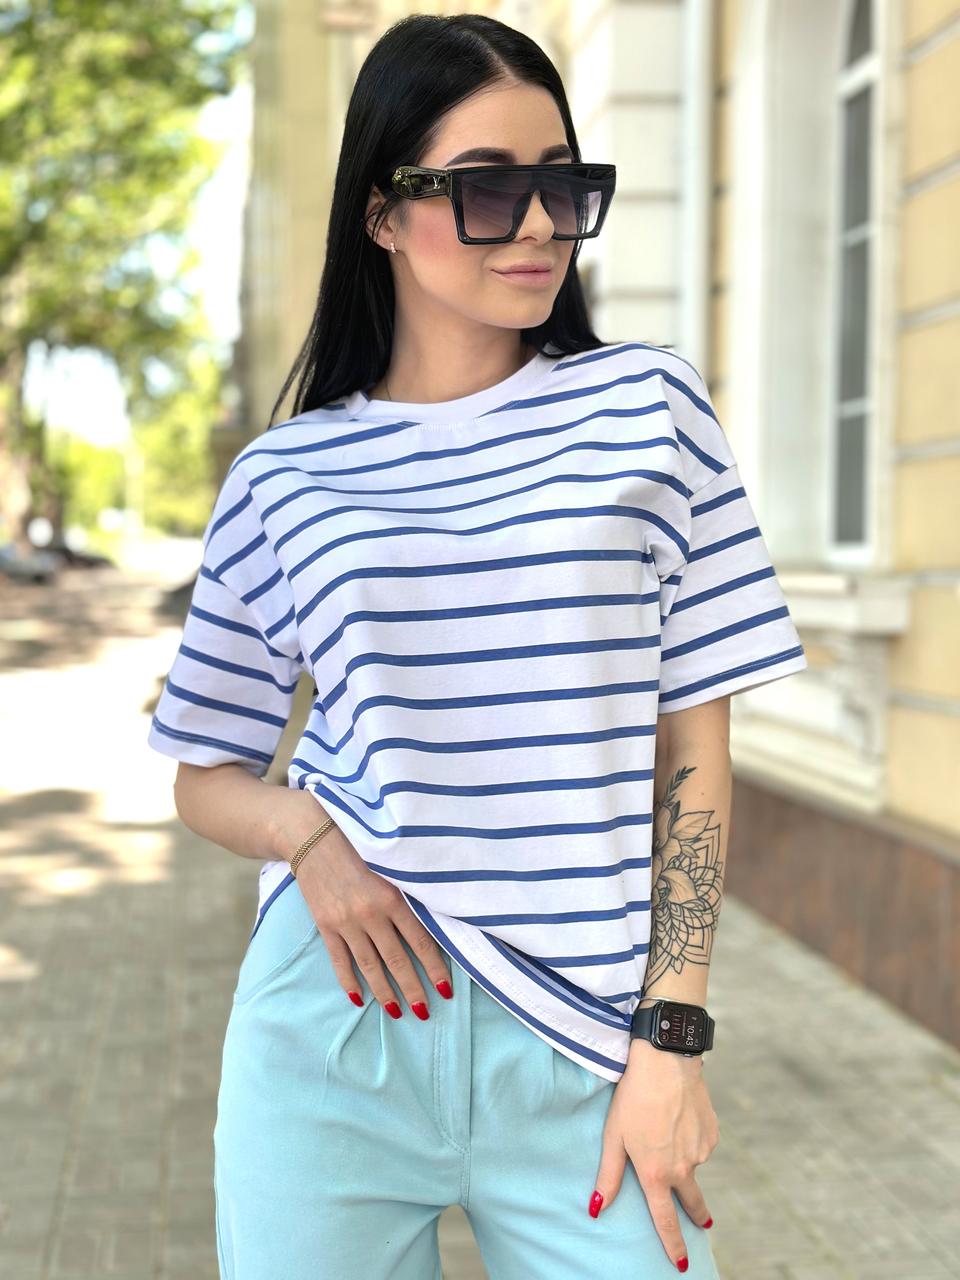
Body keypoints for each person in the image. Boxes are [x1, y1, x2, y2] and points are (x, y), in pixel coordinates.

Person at [148, 13, 806, 1279]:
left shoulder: (649, 410)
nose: (543, 224)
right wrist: (310, 842)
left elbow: (694, 750)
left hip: (585, 1043)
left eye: (564, 184)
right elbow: (204, 772)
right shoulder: (286, 478)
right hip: (332, 1028)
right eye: (492, 189)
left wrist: (672, 1036)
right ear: (382, 214)